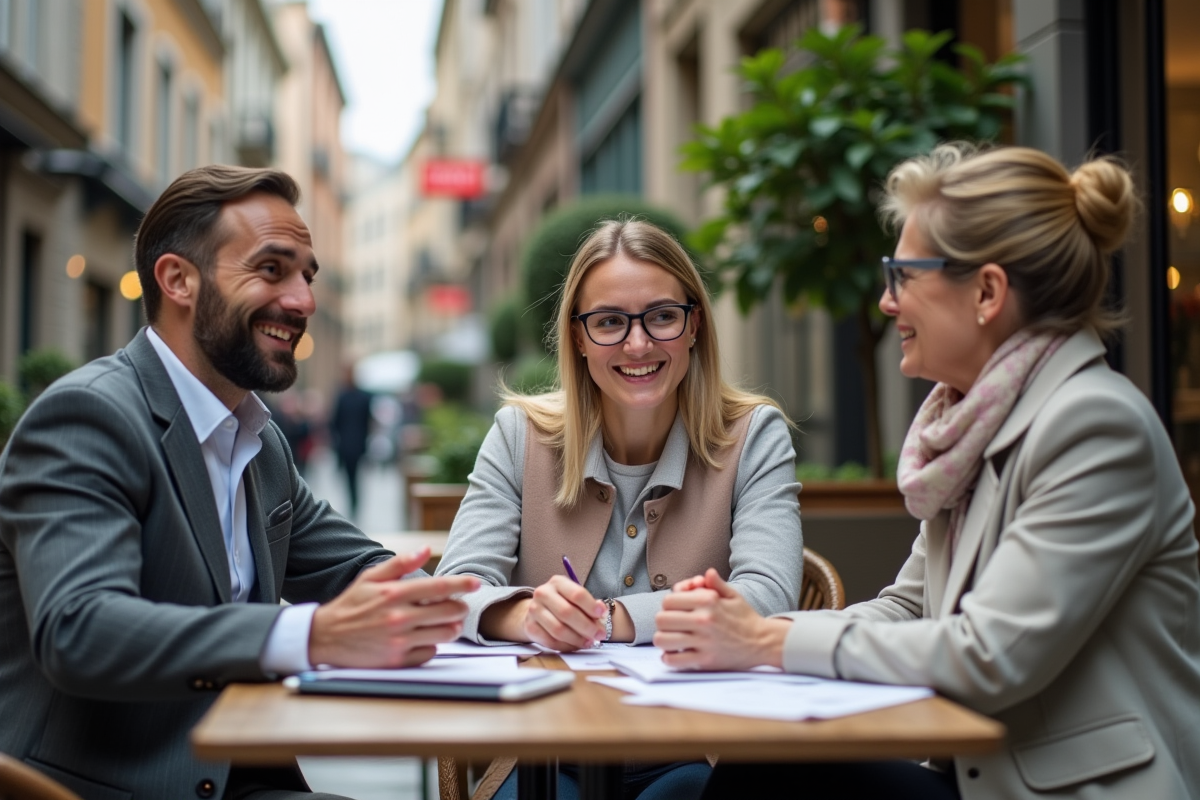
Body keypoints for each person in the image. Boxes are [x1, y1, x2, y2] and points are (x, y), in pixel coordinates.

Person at [655, 144, 1200, 799]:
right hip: (983, 777)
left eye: (903, 275)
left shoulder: (1094, 427)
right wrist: (742, 628)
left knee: (771, 767)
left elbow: (988, 656)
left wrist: (766, 642)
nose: (887, 303)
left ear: (987, 292)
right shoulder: (973, 424)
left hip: (1069, 790)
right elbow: (908, 609)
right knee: (767, 759)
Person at [0, 165, 479, 800]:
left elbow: (359, 567)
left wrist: (504, 614)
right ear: (178, 280)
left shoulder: (257, 438)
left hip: (237, 777)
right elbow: (80, 630)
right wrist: (311, 635)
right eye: (272, 269)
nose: (304, 300)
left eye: (307, 275)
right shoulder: (89, 416)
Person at [435, 219, 804, 800]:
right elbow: (455, 590)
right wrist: (528, 615)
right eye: (609, 322)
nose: (638, 344)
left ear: (693, 325)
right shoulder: (520, 435)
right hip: (543, 751)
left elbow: (770, 595)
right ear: (579, 338)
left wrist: (611, 621)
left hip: (697, 748)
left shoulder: (753, 435)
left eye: (661, 316)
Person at [330, 364, 373, 516]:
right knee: (353, 477)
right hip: (355, 444)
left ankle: (353, 503)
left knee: (351, 477)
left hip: (349, 445)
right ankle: (354, 503)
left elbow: (335, 422)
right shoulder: (363, 396)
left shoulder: (343, 396)